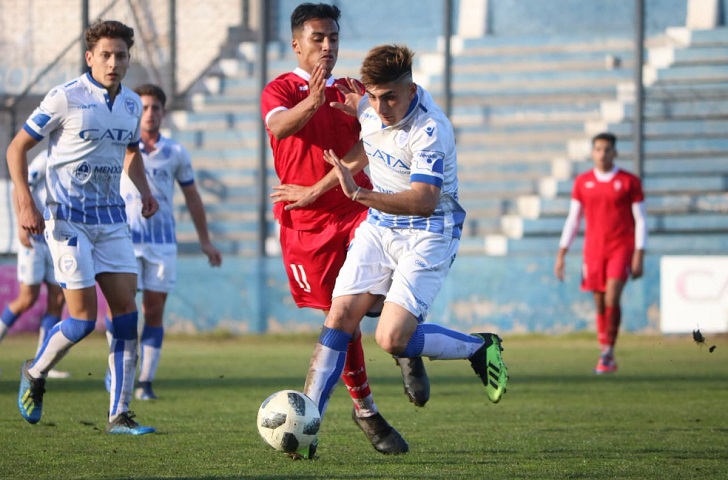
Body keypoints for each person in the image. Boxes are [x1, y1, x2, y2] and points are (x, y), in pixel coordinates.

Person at [301, 44, 509, 457]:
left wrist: (358, 193)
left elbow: (423, 200)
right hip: (381, 227)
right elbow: (370, 140)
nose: (381, 107)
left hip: (429, 230)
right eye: (374, 97)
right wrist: (353, 112)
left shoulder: (431, 129)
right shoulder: (369, 104)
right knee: (339, 315)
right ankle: (307, 424)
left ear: (411, 89)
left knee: (392, 338)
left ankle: (479, 347)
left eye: (391, 97)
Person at [260, 3, 426, 458]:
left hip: (356, 210)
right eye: (318, 38)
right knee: (342, 321)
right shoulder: (280, 89)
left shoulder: (355, 90)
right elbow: (278, 126)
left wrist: (320, 186)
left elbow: (372, 144)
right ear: (297, 43)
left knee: (381, 289)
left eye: (333, 37)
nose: (328, 45)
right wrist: (312, 101)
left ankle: (405, 343)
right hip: (305, 228)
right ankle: (366, 409)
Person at [6, 19, 159, 435]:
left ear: (129, 59)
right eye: (105, 55)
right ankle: (35, 372)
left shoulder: (130, 104)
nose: (113, 62)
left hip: (111, 221)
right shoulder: (65, 98)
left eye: (121, 55)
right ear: (90, 57)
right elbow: (16, 147)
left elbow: (130, 154)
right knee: (82, 321)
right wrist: (25, 200)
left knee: (127, 315)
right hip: (67, 218)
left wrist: (144, 190)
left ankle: (120, 415)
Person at [104, 83, 222, 400]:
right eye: (143, 107)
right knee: (121, 310)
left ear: (163, 112)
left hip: (162, 244)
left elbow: (192, 197)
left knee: (153, 312)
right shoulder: (120, 148)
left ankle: (144, 382)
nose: (149, 113)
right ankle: (116, 367)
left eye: (155, 107)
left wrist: (205, 241)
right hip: (123, 242)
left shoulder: (175, 152)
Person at [554, 132, 647, 374]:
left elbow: (641, 220)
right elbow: (573, 220)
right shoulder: (583, 182)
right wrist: (562, 252)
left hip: (621, 247)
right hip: (594, 250)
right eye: (598, 149)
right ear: (592, 152)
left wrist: (639, 253)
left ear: (614, 152)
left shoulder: (629, 182)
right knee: (599, 302)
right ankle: (604, 346)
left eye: (607, 149)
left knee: (612, 297)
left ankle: (608, 353)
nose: (602, 154)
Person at [0, 151, 70, 379]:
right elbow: (18, 188)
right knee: (26, 299)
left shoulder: (79, 156)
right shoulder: (47, 158)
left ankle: (42, 362)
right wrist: (22, 223)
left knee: (57, 299)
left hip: (58, 240)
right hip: (35, 239)